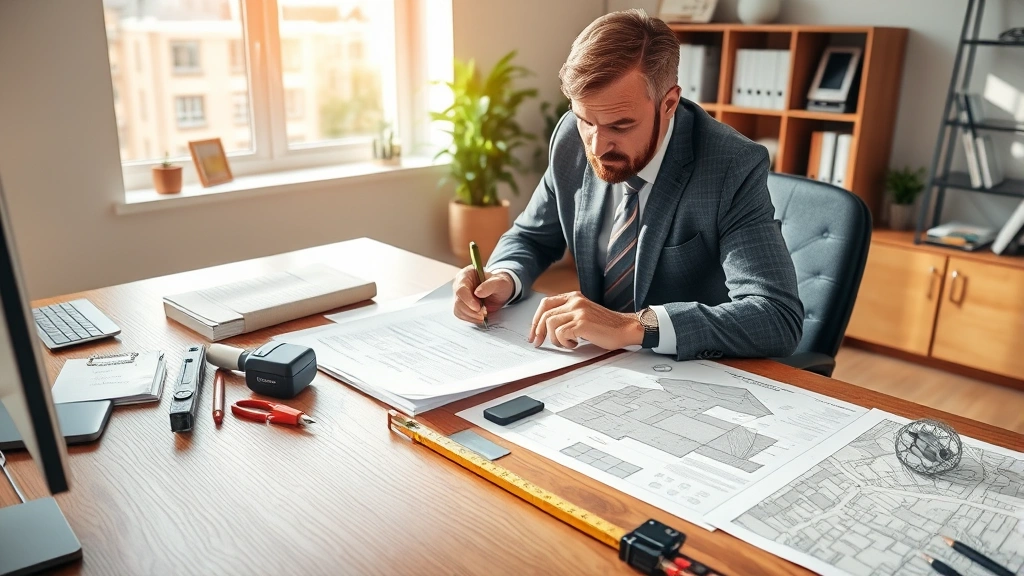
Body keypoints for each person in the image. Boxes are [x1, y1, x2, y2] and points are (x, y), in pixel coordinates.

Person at [452, 9, 803, 361]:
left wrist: (635, 327)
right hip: (593, 363)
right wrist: (502, 276)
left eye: (620, 126)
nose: (596, 145)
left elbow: (776, 316)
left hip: (688, 372)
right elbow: (531, 236)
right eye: (585, 120)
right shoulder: (570, 140)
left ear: (668, 104)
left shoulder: (730, 166)